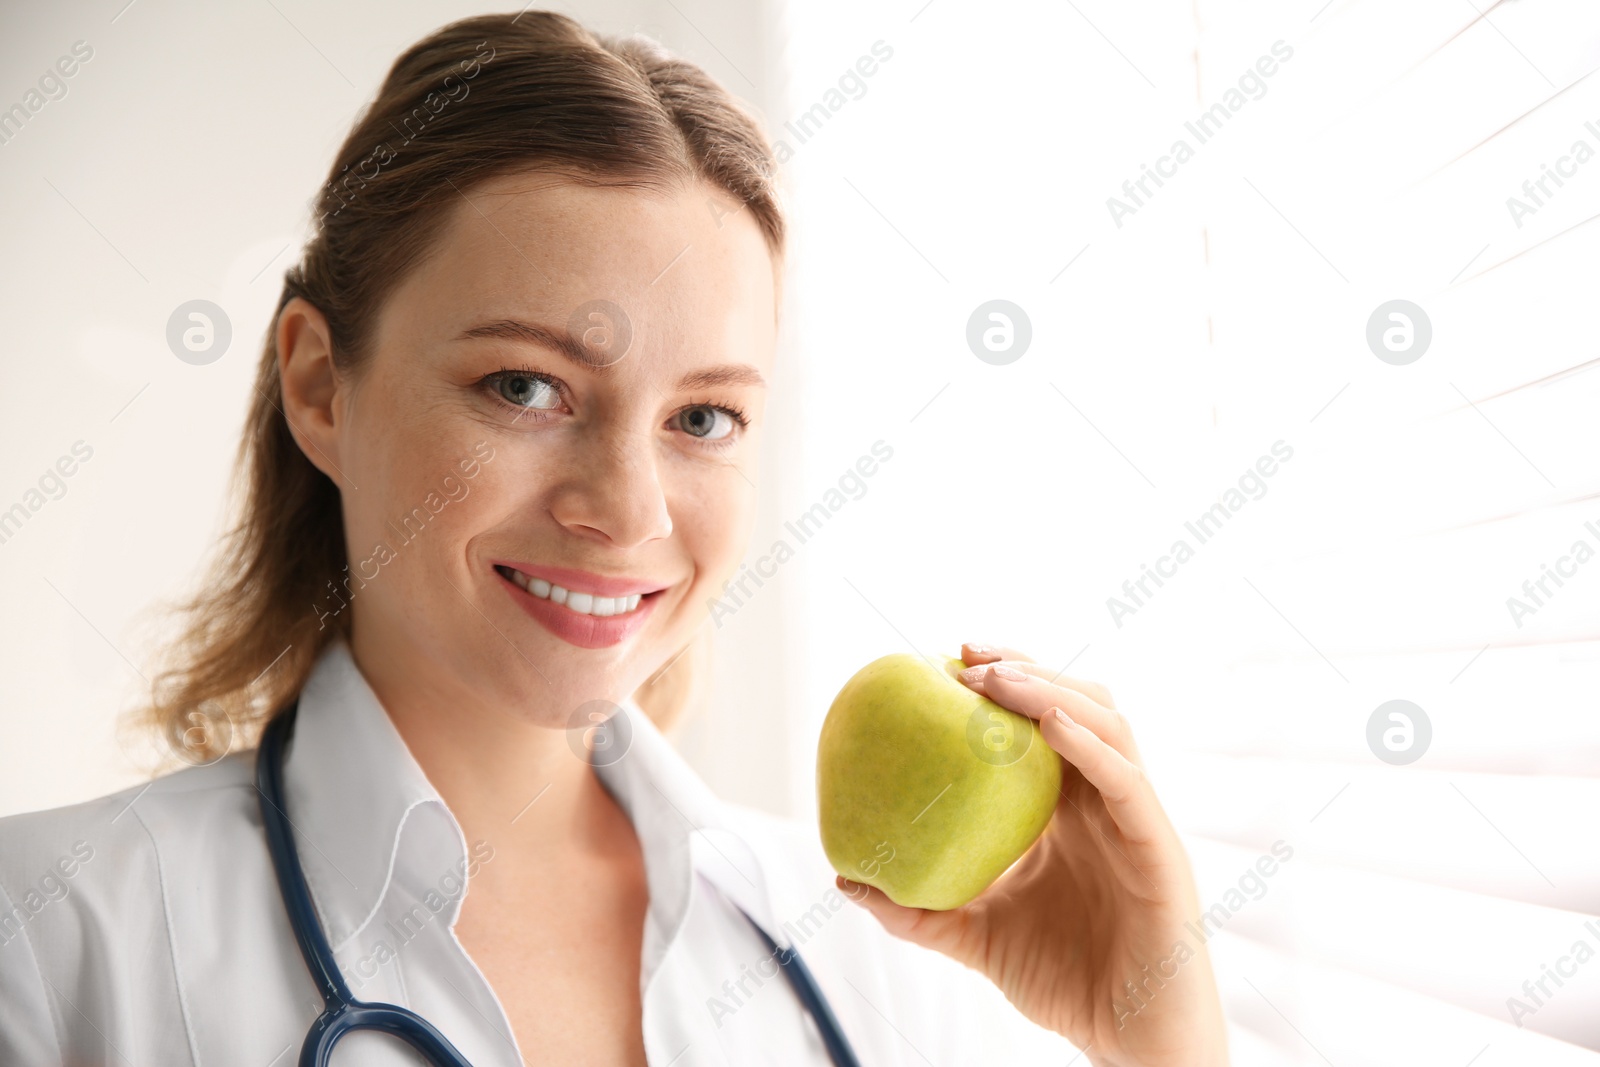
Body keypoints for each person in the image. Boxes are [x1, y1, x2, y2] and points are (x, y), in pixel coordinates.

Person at [0, 11, 1226, 1065]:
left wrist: (1152, 1039)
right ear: (322, 387)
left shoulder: (867, 952)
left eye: (703, 415)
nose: (628, 510)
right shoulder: (52, 943)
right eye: (525, 387)